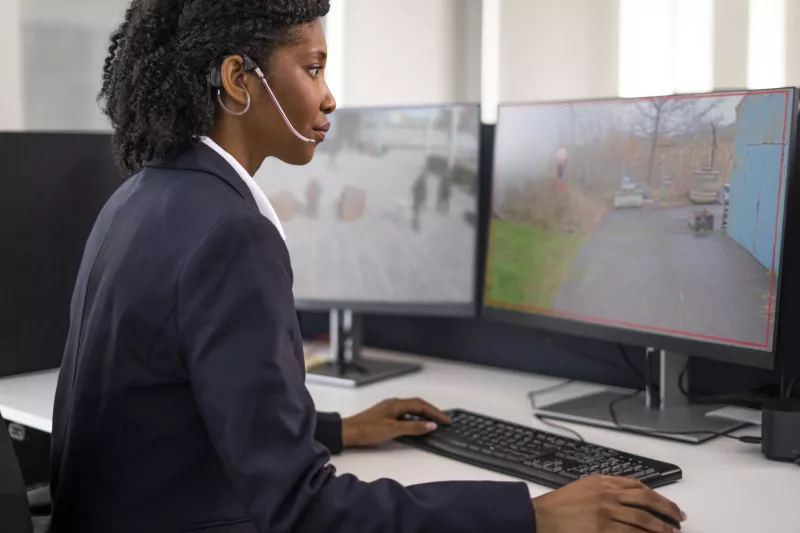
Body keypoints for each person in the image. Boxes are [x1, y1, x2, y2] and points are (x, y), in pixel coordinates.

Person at [48, 1, 686, 532]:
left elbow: (173, 406)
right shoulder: (231, 232)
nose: (329, 99)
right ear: (240, 80)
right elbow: (302, 511)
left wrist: (336, 428)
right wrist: (534, 514)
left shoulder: (141, 196)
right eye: (313, 69)